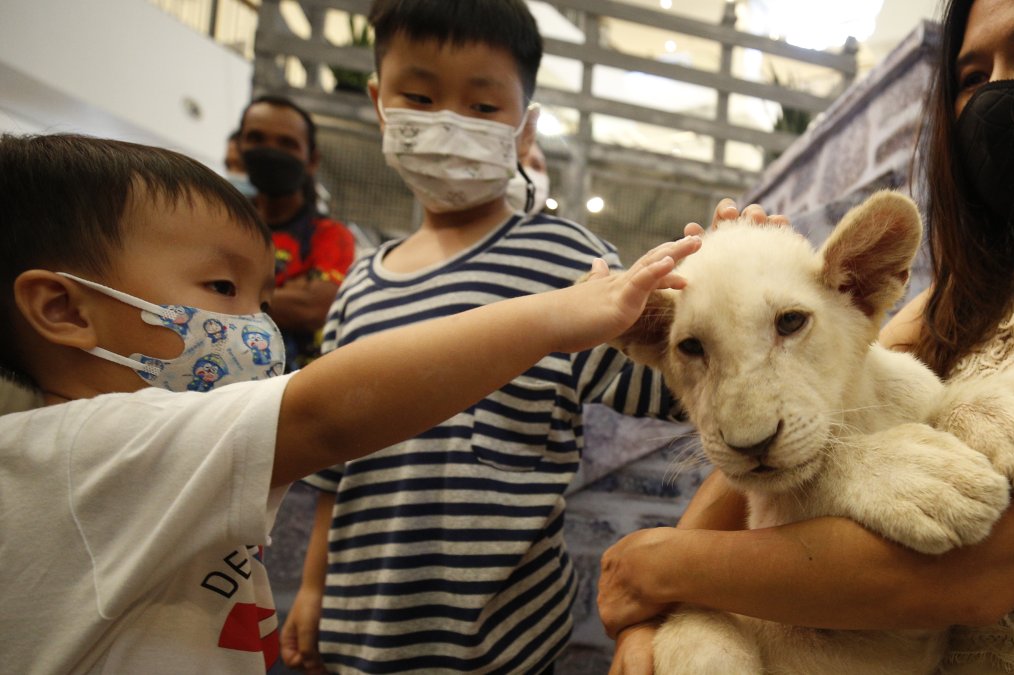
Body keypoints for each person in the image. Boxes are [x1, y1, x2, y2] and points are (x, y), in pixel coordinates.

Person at [598, 1, 1014, 674]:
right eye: (972, 76)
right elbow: (787, 445)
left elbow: (977, 572)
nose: (997, 94)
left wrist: (659, 567)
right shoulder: (967, 295)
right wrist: (653, 619)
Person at [0, 132, 699, 673]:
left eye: (262, 298)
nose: (257, 325)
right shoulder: (98, 453)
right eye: (222, 289)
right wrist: (558, 314)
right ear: (63, 308)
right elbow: (329, 418)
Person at [276, 1, 692, 673]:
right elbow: (331, 455)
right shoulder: (357, 287)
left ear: (525, 126)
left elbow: (673, 386)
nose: (448, 122)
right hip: (358, 631)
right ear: (379, 103)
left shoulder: (570, 264)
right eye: (420, 97)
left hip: (506, 643)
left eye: (482, 105)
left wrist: (730, 301)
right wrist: (313, 585)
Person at [235, 95, 356, 371]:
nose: (270, 151)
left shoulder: (330, 235)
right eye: (256, 138)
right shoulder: (222, 223)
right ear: (240, 145)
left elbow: (313, 309)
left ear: (312, 160)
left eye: (287, 143)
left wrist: (227, 291)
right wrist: (284, 292)